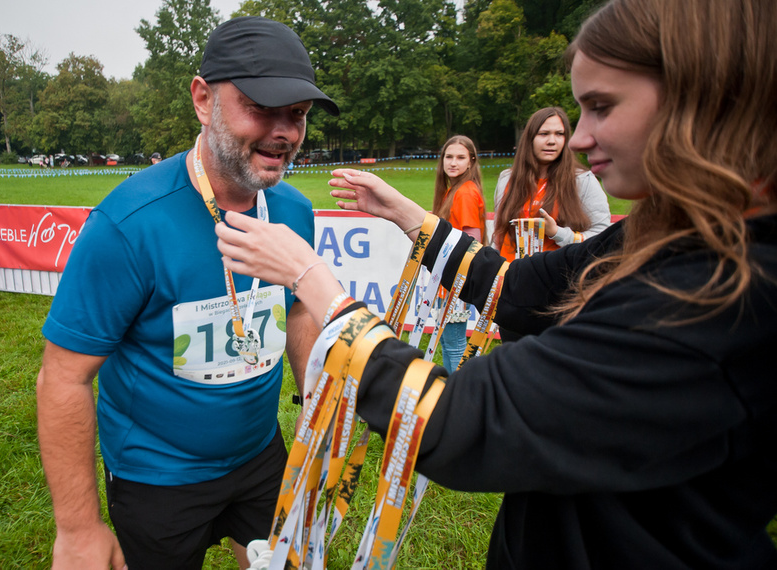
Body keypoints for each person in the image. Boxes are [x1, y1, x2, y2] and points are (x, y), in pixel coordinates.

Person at [215, 0, 777, 567]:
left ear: (704, 98)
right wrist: (411, 217)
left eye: (602, 107)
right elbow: (519, 288)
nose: (580, 138)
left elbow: (454, 421)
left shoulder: (723, 294)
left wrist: (312, 280)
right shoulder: (669, 231)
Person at [36, 16, 339, 570]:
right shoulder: (129, 225)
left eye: (296, 115)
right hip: (158, 476)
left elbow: (296, 311)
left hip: (261, 456)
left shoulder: (292, 211)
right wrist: (78, 528)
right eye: (262, 108)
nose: (284, 132)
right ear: (204, 99)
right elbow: (64, 374)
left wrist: (315, 405)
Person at [492, 106, 610, 261]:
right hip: (511, 277)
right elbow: (499, 235)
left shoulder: (582, 180)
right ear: (530, 139)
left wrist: (556, 233)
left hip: (558, 278)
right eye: (544, 134)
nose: (552, 141)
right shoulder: (507, 179)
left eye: (559, 134)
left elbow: (602, 238)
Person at [431, 135, 487, 372]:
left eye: (460, 157)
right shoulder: (452, 190)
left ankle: (459, 399)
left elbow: (472, 243)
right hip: (449, 279)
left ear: (471, 162)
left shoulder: (464, 192)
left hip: (456, 280)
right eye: (449, 156)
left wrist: (457, 281)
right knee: (447, 341)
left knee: (454, 345)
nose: (453, 163)